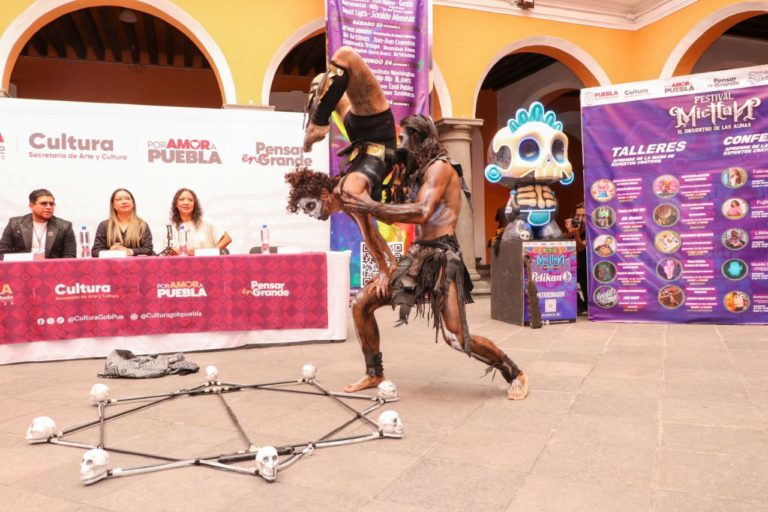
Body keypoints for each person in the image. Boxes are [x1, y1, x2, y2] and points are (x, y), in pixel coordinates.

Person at [331, 114, 526, 400]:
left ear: (417, 138)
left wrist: (370, 206)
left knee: (456, 337)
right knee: (362, 304)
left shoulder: (440, 168)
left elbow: (422, 212)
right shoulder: (419, 172)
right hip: (418, 254)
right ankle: (374, 373)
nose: (400, 145)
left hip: (442, 256)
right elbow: (397, 213)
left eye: (403, 139)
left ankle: (514, 372)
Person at [301, 46, 400, 291]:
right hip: (372, 139)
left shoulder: (348, 190)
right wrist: (389, 268)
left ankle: (317, 120)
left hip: (368, 135)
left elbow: (370, 233)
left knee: (342, 60)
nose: (315, 215)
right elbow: (371, 234)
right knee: (343, 60)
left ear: (325, 195)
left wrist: (386, 270)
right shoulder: (347, 195)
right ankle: (317, 118)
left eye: (313, 207)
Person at [0, 189, 76, 260]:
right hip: (22, 268)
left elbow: (70, 256)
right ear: (31, 206)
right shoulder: (15, 224)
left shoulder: (65, 226)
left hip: (53, 269)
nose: (49, 207)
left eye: (51, 204)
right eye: (44, 203)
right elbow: (2, 253)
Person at [166, 188, 231, 255]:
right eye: (182, 199)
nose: (186, 203)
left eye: (190, 200)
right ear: (176, 204)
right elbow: (168, 251)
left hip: (206, 260)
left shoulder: (205, 221)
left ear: (194, 204)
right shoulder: (171, 227)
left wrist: (208, 253)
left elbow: (227, 238)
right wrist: (184, 252)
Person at [91, 188, 154, 257]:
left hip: (136, 263)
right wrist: (110, 252)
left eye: (127, 198)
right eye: (119, 199)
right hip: (113, 263)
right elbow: (95, 251)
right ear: (113, 205)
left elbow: (148, 249)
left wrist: (130, 251)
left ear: (133, 204)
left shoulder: (142, 225)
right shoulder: (104, 225)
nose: (124, 202)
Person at [564, 202, 587, 314]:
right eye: (578, 215)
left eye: (584, 215)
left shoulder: (592, 229)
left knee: (589, 303)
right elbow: (566, 248)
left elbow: (581, 248)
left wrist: (576, 234)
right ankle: (579, 306)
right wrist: (569, 233)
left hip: (586, 266)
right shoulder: (573, 227)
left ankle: (585, 306)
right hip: (574, 265)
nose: (581, 218)